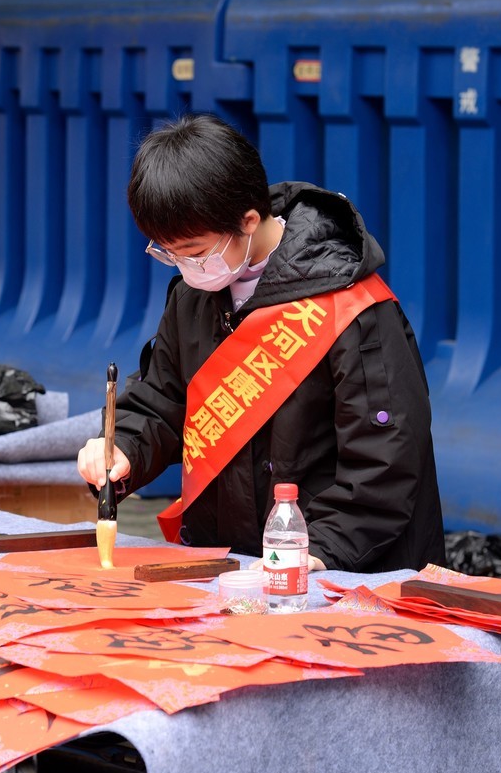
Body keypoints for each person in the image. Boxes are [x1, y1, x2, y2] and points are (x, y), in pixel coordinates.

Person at [77, 113, 446, 573]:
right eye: (166, 253)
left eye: (193, 253)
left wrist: (321, 551)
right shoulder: (196, 293)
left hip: (342, 570)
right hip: (234, 570)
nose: (184, 268)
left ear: (249, 220)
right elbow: (163, 402)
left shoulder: (349, 304)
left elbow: (386, 459)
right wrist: (123, 448)